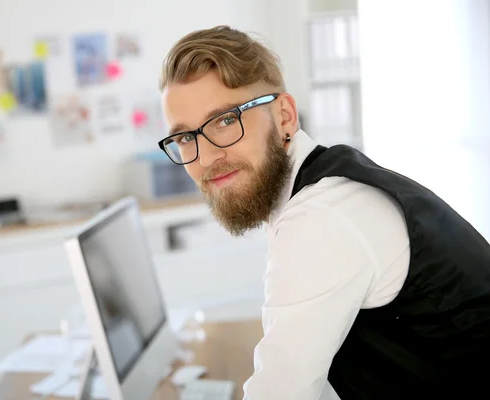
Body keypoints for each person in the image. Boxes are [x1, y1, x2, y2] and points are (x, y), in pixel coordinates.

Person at [157, 25, 490, 399]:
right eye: (185, 138)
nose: (206, 156)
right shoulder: (321, 184)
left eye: (225, 120)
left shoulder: (324, 218)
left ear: (284, 115)